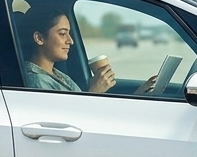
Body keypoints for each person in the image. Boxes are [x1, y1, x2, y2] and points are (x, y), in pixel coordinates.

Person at [18, 6, 156, 94]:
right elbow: (63, 124)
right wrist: (94, 92)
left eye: (69, 33)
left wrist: (138, 94)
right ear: (39, 38)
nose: (70, 41)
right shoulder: (36, 81)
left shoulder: (56, 74)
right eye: (62, 33)